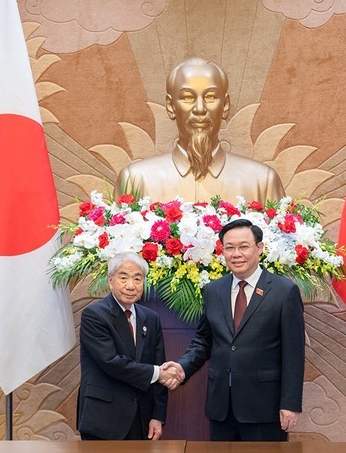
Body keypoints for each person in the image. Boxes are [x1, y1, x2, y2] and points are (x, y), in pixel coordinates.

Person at [163, 219, 305, 441]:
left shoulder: (283, 291)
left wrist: (290, 404)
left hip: (264, 408)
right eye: (229, 247)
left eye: (244, 246)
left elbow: (294, 354)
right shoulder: (213, 290)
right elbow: (204, 341)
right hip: (222, 407)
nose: (236, 253)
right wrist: (182, 368)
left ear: (259, 248)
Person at [115, 57, 285, 203]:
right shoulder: (136, 180)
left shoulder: (262, 182)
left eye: (210, 97)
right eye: (187, 97)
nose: (199, 108)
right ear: (171, 106)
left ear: (225, 105)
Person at [76, 251, 179, 440]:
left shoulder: (151, 317)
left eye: (137, 279)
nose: (131, 286)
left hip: (141, 419)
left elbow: (159, 363)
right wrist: (159, 373)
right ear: (110, 281)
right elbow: (112, 362)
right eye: (123, 278)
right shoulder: (95, 315)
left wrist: (157, 416)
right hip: (104, 418)